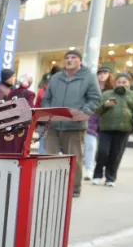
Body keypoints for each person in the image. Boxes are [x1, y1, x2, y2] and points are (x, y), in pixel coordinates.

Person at [40, 49, 101, 197]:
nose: (69, 60)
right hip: (53, 125)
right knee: (49, 157)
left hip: (75, 126)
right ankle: (50, 186)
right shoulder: (55, 78)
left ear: (80, 60)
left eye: (73, 57)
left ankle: (75, 188)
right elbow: (46, 98)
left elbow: (95, 99)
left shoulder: (89, 77)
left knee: (74, 158)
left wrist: (81, 113)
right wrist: (48, 112)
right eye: (67, 57)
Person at [91, 73, 133, 187]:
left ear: (129, 83)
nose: (121, 84)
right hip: (106, 129)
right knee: (103, 152)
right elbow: (96, 111)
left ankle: (110, 178)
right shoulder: (106, 94)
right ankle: (97, 175)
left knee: (116, 155)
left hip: (124, 130)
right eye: (119, 82)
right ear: (115, 83)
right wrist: (105, 105)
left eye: (124, 82)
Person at [85, 68, 115, 180]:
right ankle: (89, 169)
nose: (102, 75)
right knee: (90, 145)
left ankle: (104, 173)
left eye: (105, 73)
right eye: (100, 73)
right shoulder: (91, 87)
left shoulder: (113, 89)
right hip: (92, 118)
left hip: (107, 121)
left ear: (109, 75)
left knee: (104, 150)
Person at [0, 74, 36, 154]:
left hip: (8, 124)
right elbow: (30, 109)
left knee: (6, 148)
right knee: (18, 150)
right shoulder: (30, 94)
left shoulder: (11, 92)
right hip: (21, 126)